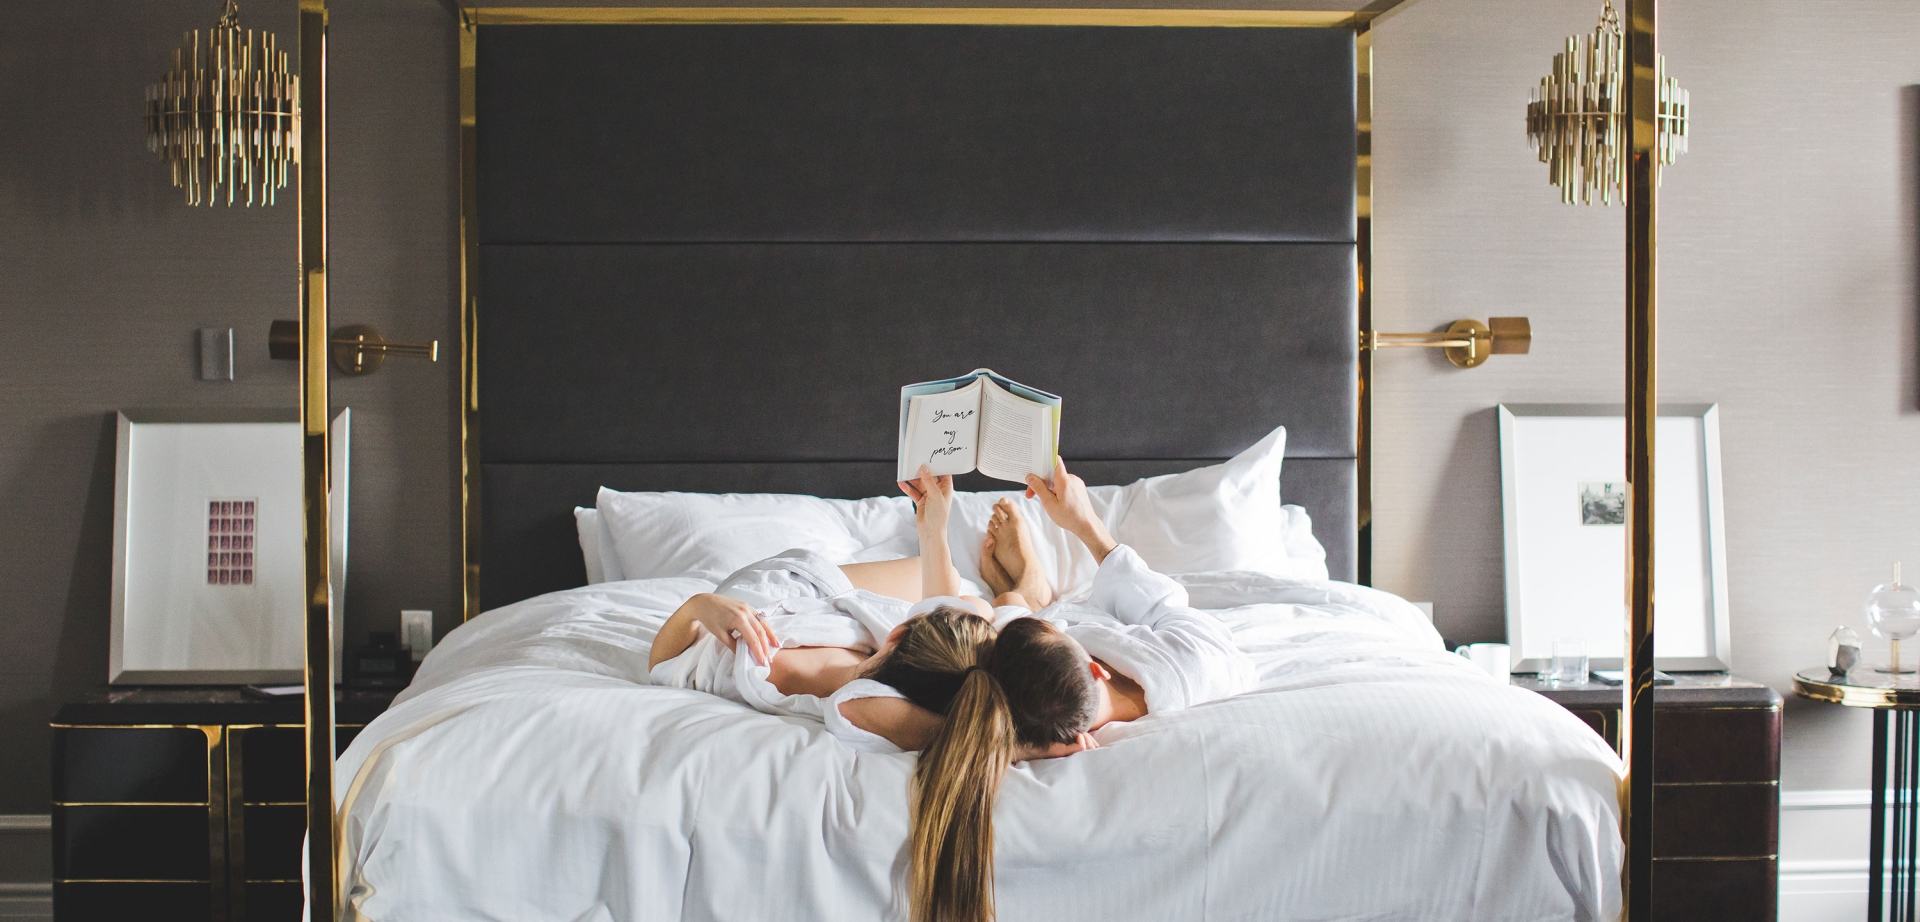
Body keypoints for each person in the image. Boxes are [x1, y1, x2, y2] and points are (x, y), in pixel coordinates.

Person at [980, 458, 1259, 759]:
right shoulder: (1194, 663)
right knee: (1019, 613)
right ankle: (1031, 590)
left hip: (1027, 656)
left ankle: (1022, 588)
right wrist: (1085, 521)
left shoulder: (1036, 716)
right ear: (1096, 669)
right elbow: (1158, 598)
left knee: (1006, 608)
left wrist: (1025, 749)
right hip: (1094, 637)